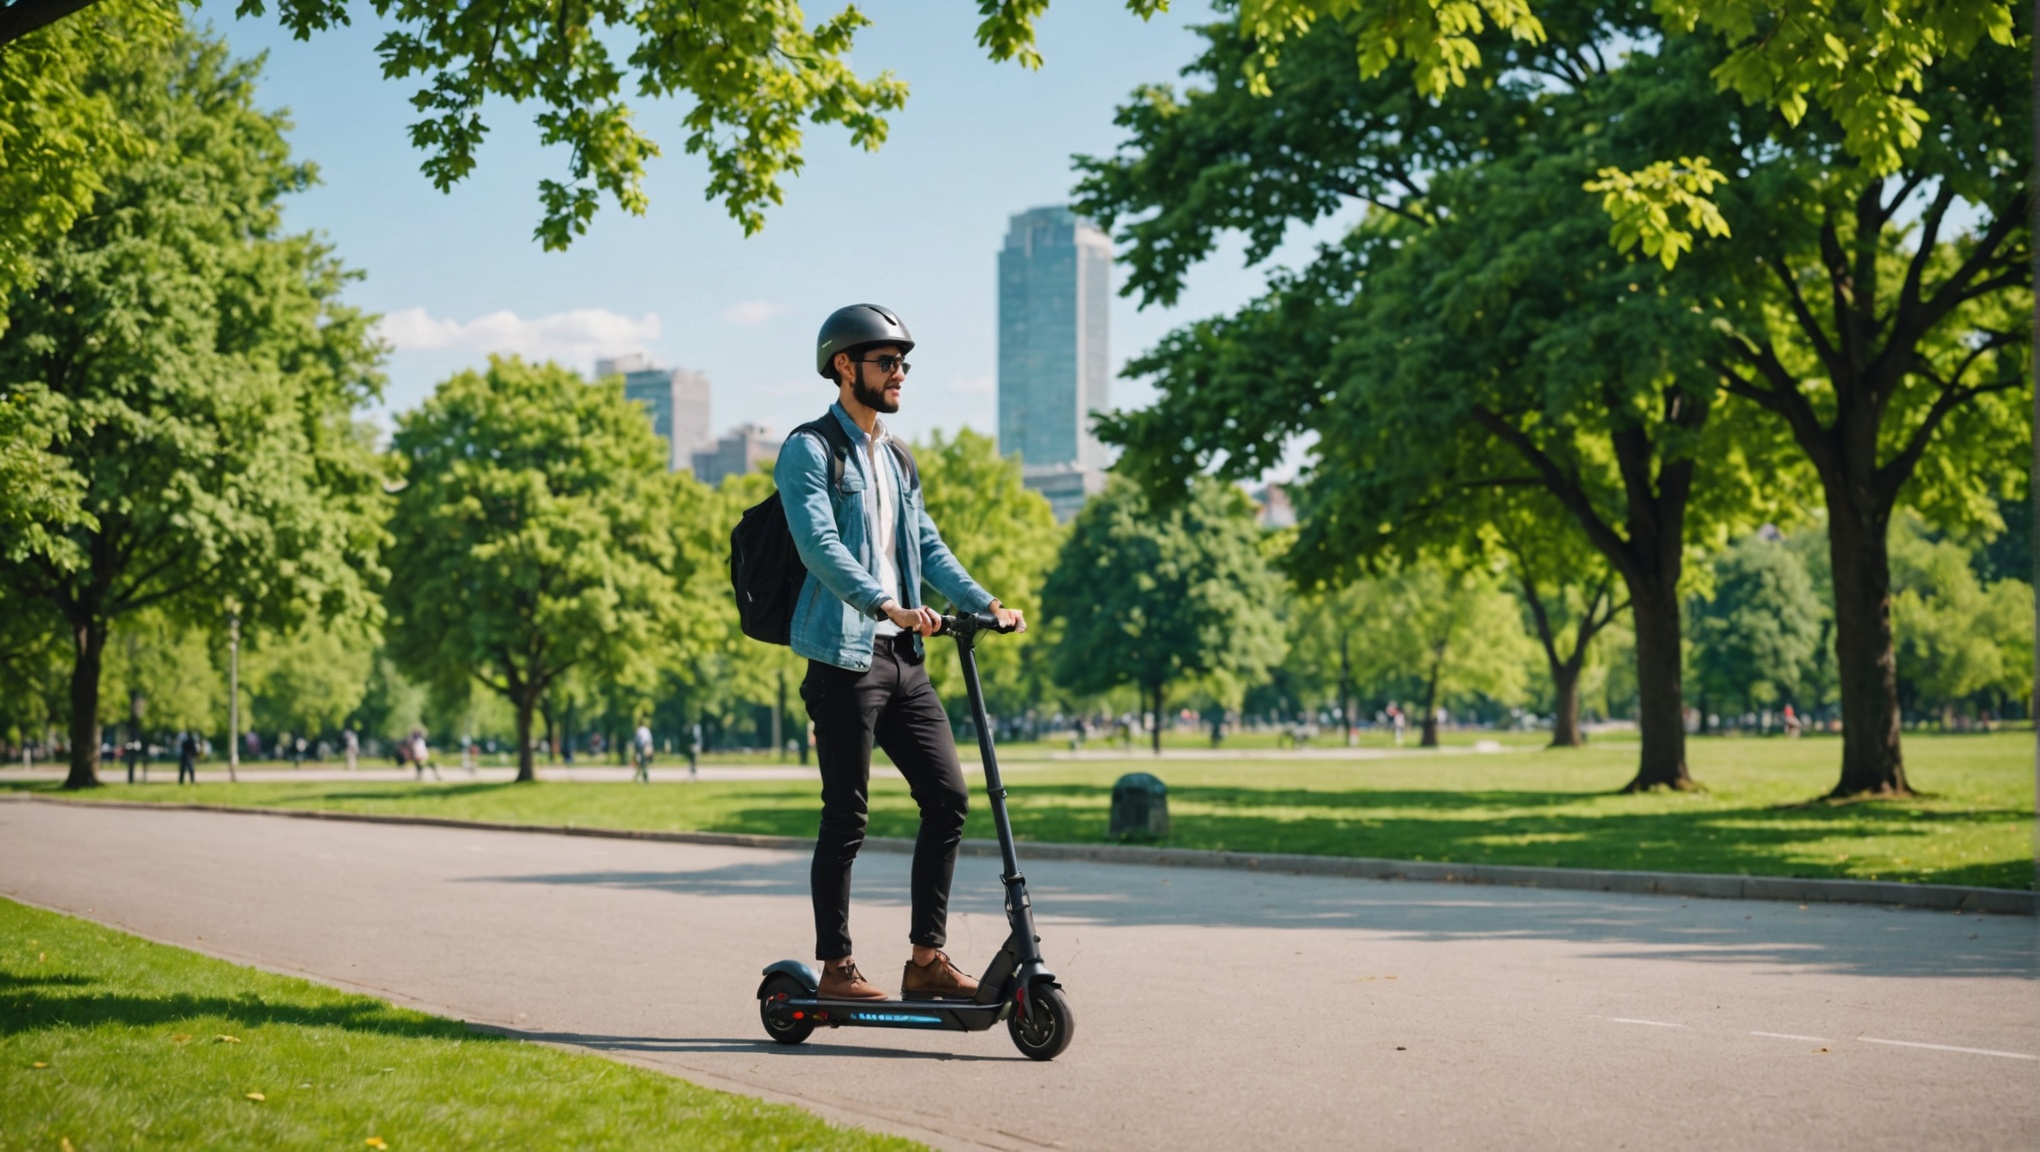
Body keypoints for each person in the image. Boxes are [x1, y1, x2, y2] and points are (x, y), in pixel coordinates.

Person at [778, 304, 1026, 1003]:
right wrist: (881, 601)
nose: (900, 375)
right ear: (844, 366)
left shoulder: (897, 459)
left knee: (948, 798)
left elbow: (930, 546)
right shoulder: (809, 449)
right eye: (887, 362)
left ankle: (926, 960)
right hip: (843, 655)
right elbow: (819, 545)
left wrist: (985, 604)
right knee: (846, 816)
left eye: (904, 364)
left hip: (904, 659)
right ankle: (837, 969)